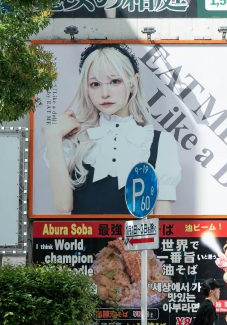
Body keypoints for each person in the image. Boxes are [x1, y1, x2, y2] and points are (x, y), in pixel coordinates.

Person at [44, 44, 181, 215]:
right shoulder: (74, 143)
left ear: (133, 82)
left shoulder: (159, 143)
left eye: (115, 81)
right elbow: (63, 207)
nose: (105, 93)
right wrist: (53, 137)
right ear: (86, 88)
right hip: (85, 241)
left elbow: (162, 216)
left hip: (137, 242)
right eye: (95, 84)